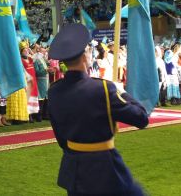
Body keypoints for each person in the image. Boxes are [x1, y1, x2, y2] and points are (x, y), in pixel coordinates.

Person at [47, 24, 149, 196]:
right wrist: (121, 91)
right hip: (105, 167)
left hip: (74, 168)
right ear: (85, 56)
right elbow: (141, 118)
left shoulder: (54, 91)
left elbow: (61, 138)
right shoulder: (103, 88)